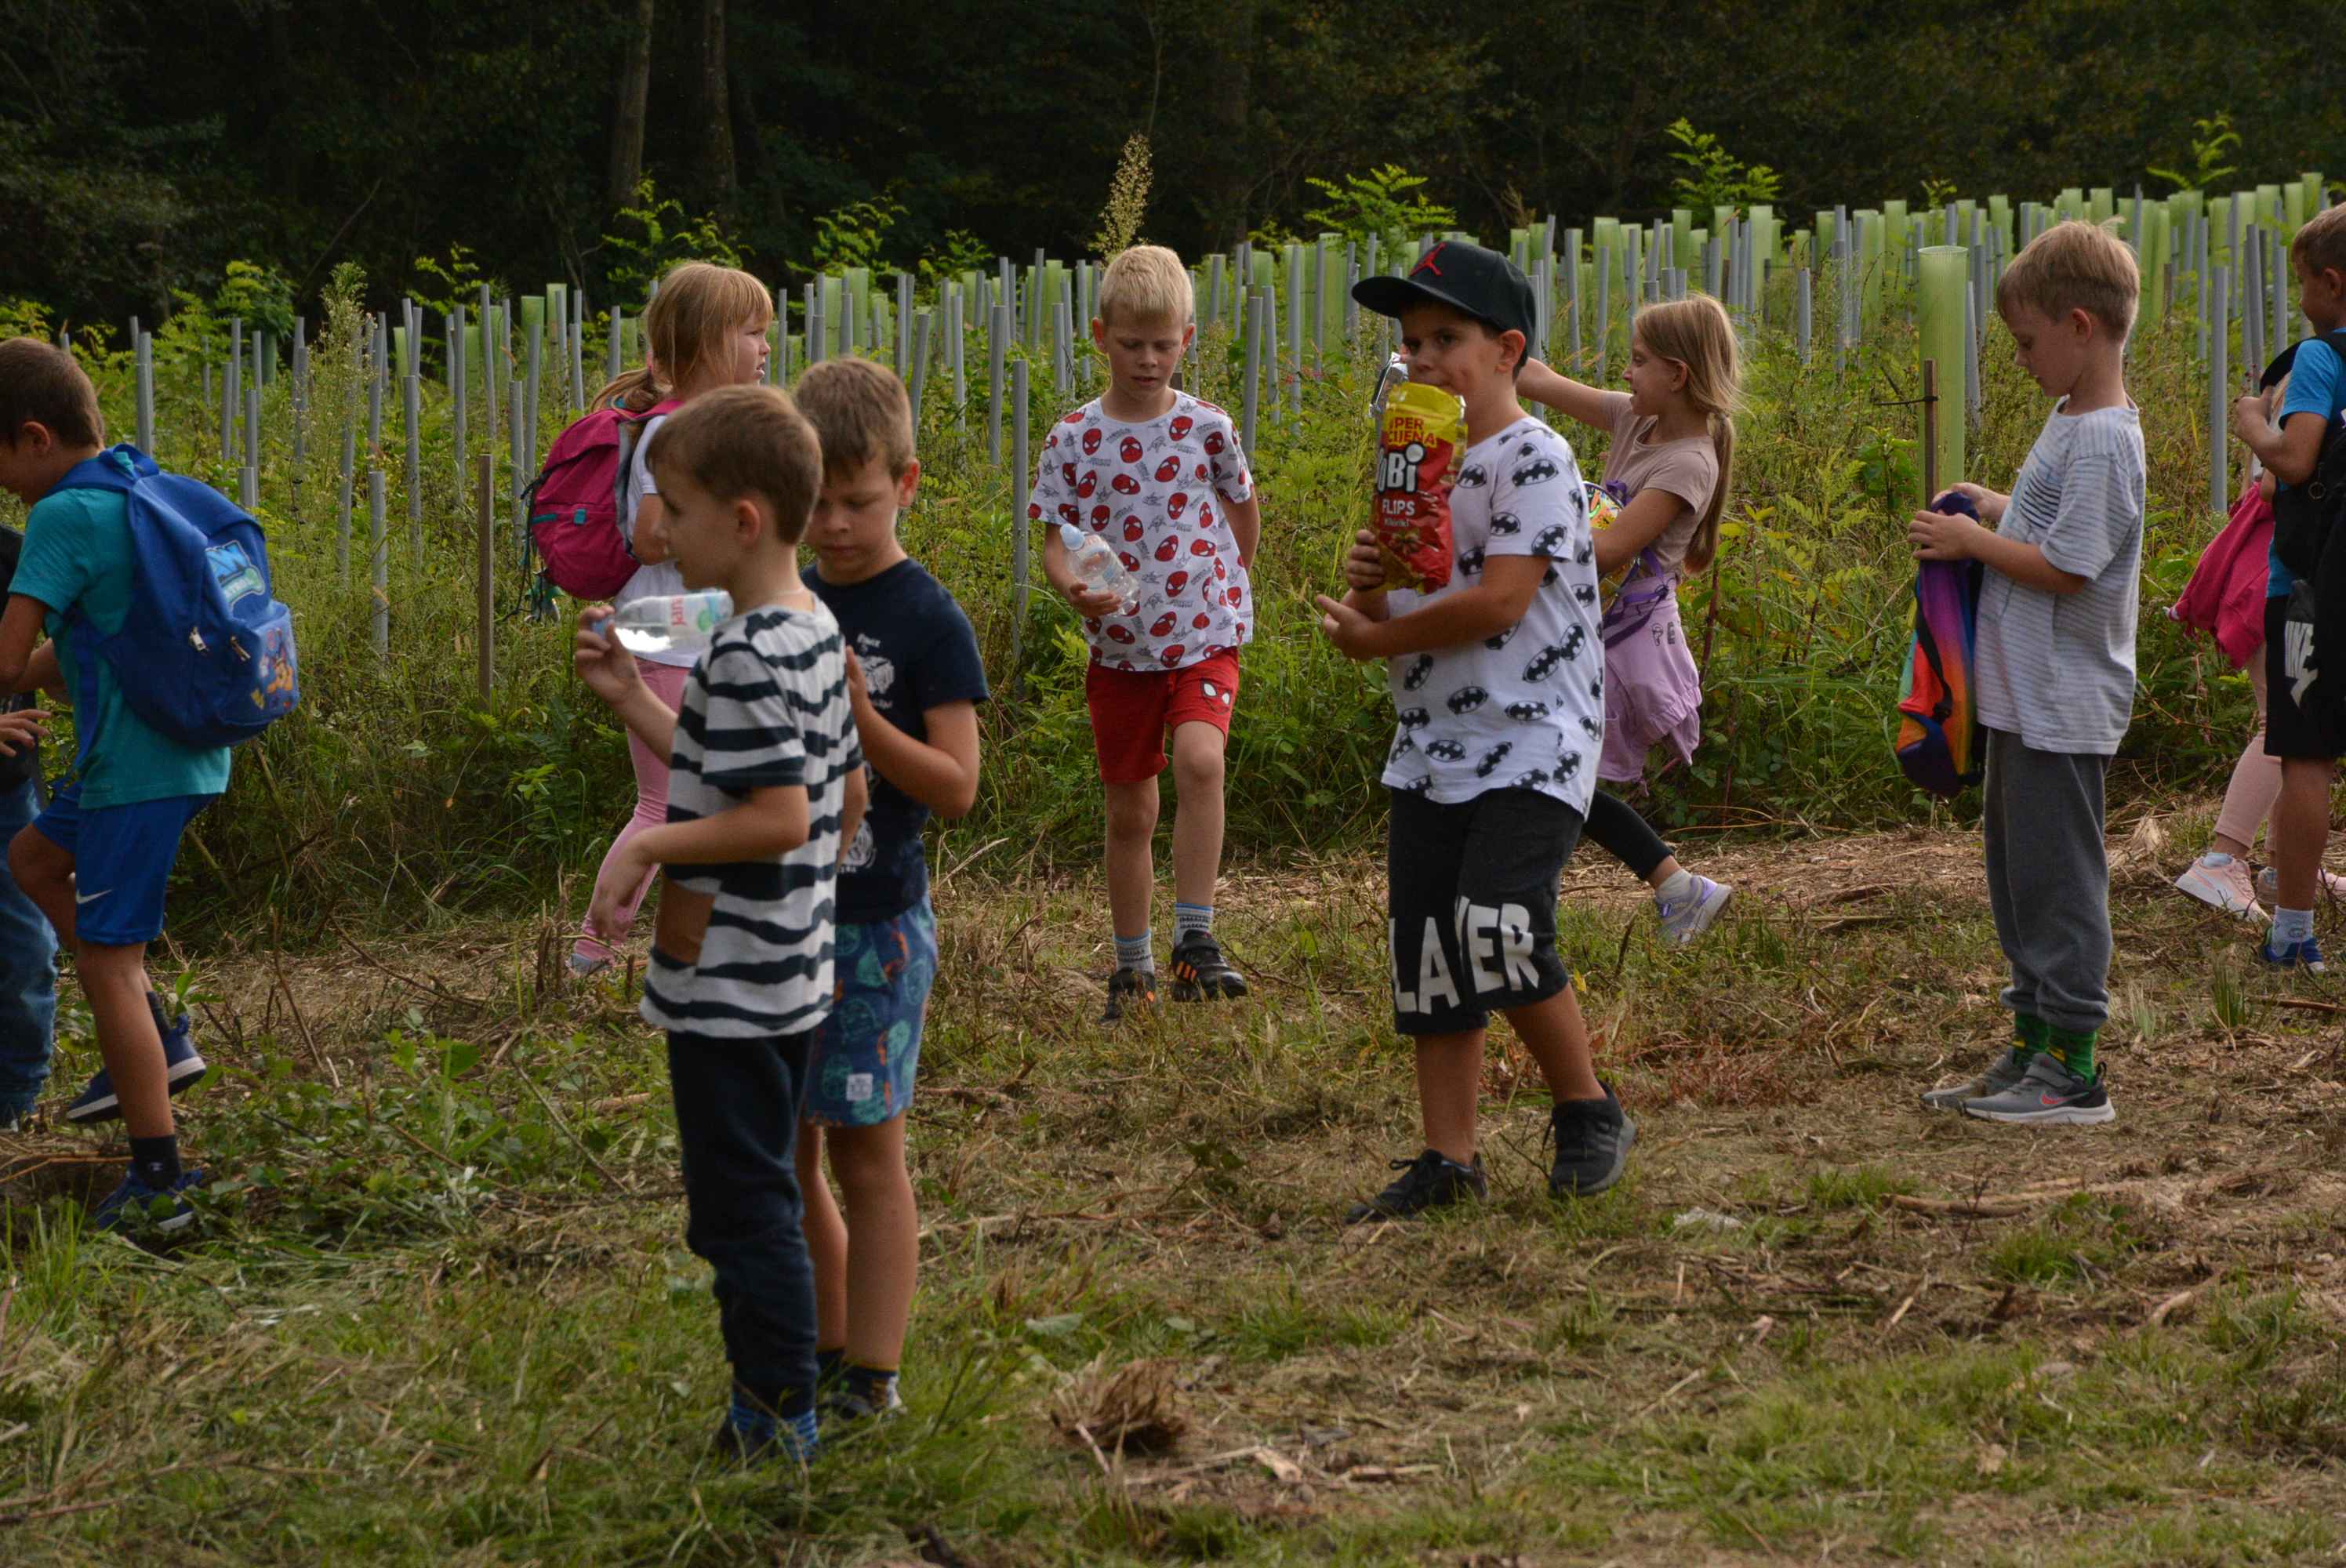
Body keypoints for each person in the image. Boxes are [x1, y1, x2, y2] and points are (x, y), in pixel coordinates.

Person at [572, 384, 866, 1461]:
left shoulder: (746, 652)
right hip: (789, 976)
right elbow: (742, 775)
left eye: (677, 511)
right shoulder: (805, 628)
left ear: (742, 519)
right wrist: (632, 702)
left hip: (737, 990)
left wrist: (647, 845)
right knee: (755, 1197)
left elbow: (780, 816)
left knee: (741, 1213)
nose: (659, 533)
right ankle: (785, 1392)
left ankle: (776, 1415)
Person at [1319, 240, 1636, 1220]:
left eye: (1444, 338)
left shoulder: (1534, 455)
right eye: (1410, 342)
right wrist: (1369, 576)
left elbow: (1501, 603)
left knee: (1495, 924)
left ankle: (1586, 1106)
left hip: (1534, 732)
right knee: (1426, 948)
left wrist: (1379, 641)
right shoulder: (1419, 464)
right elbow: (1390, 597)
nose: (1420, 358)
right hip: (1432, 742)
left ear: (1507, 350)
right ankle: (1448, 1157)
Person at [1909, 220, 2144, 1125]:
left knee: (2060, 882)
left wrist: (1974, 540)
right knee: (2018, 878)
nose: (2018, 359)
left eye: (2025, 340)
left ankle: (2076, 1068)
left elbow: (2069, 564)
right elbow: (2048, 523)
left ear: (2079, 325)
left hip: (2061, 700)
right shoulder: (2068, 422)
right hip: (2023, 697)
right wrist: (1994, 505)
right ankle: (2030, 1047)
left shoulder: (2104, 441)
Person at [795, 357, 986, 1421]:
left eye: (857, 501)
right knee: (790, 1153)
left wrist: (864, 720)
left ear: (906, 485)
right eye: (814, 501)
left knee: (870, 1151)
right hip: (782, 923)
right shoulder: (785, 598)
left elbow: (958, 788)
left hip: (875, 929)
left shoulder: (926, 619)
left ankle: (877, 1372)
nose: (833, 524)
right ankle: (824, 1347)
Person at [0, 337, 216, 1223]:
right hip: (154, 750)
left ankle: (161, 1180)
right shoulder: (131, 480)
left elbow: (8, 658)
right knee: (34, 860)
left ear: (36, 438)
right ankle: (160, 1036)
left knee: (105, 964)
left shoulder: (58, 514)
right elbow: (68, 654)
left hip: (138, 766)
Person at [1030, 244, 1261, 1021]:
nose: (1148, 358)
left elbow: (1241, 510)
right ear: (1100, 335)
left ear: (1186, 339)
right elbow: (1055, 538)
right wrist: (1069, 586)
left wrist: (1229, 584)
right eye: (1131, 343)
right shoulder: (1071, 437)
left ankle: (1195, 940)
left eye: (1163, 344)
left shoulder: (1207, 426)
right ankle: (1131, 967)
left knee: (1201, 759)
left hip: (1205, 634)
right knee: (1130, 810)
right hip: (1121, 651)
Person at [570, 260, 777, 978]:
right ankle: (592, 955)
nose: (765, 349)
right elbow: (652, 536)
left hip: (696, 635)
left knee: (711, 800)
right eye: (752, 334)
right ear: (710, 344)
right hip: (664, 637)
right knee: (667, 805)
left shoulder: (698, 429)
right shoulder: (673, 435)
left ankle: (697, 949)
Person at [1516, 297, 1740, 943]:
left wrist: (1521, 534)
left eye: (1639, 362)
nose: (1627, 372)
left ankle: (1544, 906)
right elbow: (1540, 381)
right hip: (1590, 627)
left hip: (1624, 641)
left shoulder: (1689, 463)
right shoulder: (1634, 421)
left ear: (1677, 374)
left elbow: (1609, 552)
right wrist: (1472, 351)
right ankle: (1675, 886)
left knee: (1555, 770)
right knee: (1557, 772)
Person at [2167, 383, 2342, 920]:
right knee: (2283, 729)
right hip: (2275, 579)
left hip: (2286, 578)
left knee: (2295, 732)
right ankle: (2222, 859)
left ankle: (2282, 868)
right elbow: (2273, 484)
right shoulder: (2317, 378)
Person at [2232, 201, 2346, 972]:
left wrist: (2251, 425)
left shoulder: (2317, 357)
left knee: (2305, 756)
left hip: (2309, 586)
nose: (2299, 295)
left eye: (2302, 281)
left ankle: (2293, 931)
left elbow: (2296, 460)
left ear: (2331, 283)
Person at [0, 508, 56, 1133]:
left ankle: (15, 1108)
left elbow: (67, 651)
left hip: (6, 792)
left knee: (24, 951)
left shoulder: (19, 559)